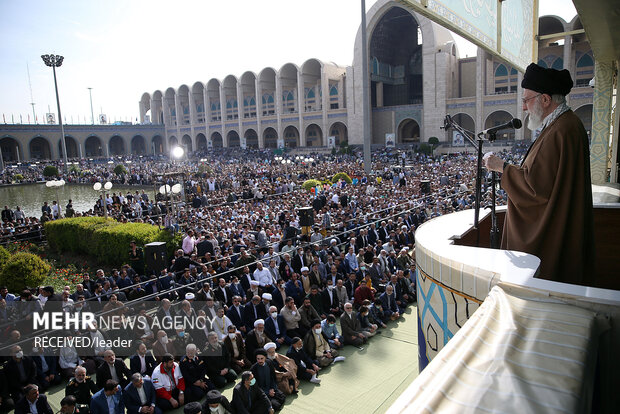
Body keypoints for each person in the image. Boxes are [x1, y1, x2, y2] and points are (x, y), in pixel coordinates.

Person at [483, 62, 595, 284]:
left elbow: (536, 191)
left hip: (552, 231)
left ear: (545, 99)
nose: (524, 108)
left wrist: (501, 167)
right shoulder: (563, 125)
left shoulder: (560, 131)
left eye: (526, 100)